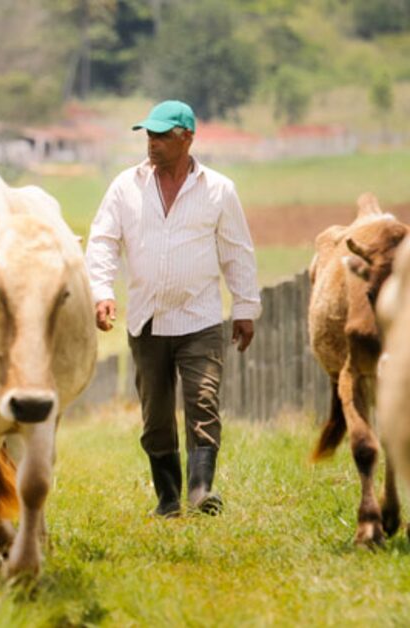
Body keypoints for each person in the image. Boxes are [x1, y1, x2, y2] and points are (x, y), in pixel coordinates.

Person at [85, 100, 261, 518]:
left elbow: (237, 251)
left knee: (203, 401)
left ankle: (201, 492)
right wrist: (101, 290)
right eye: (149, 135)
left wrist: (244, 308)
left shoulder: (218, 189)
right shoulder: (125, 187)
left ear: (187, 138)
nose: (153, 143)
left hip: (199, 318)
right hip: (146, 320)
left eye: (163, 136)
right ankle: (168, 500)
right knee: (157, 418)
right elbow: (103, 241)